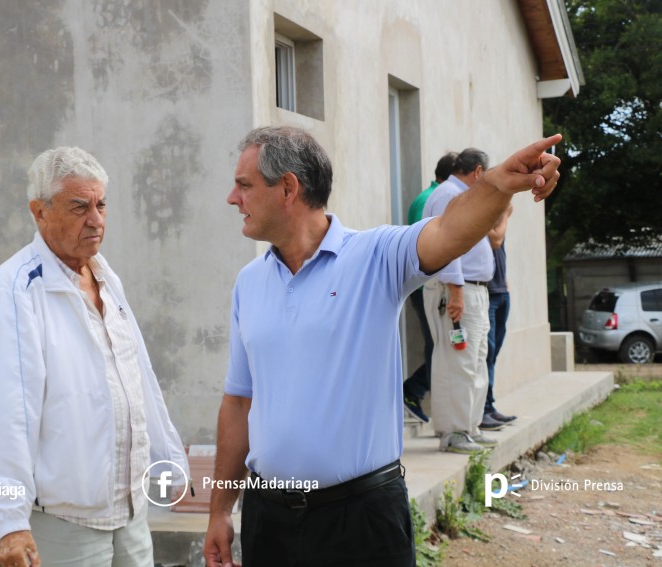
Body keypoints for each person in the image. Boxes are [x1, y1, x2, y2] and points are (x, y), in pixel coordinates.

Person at [202, 126, 561, 566]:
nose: (232, 198)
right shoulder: (249, 282)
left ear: (288, 188)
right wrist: (220, 510)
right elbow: (239, 403)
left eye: (244, 185)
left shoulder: (375, 256)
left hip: (362, 521)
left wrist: (498, 183)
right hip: (269, 522)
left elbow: (449, 230)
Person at [0, 147, 188, 567]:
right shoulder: (14, 291)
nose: (96, 219)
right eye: (79, 207)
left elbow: (139, 377)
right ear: (40, 212)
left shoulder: (107, 278)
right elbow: (11, 411)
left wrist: (170, 462)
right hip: (65, 523)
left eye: (101, 204)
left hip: (130, 513)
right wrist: (11, 522)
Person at [422, 148, 504, 456]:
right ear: (479, 171)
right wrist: (455, 290)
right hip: (458, 290)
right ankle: (454, 432)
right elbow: (447, 243)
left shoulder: (460, 195)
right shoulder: (449, 196)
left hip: (473, 289)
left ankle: (469, 427)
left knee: (475, 360)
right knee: (457, 362)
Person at [403, 152, 458, 423]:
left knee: (438, 345)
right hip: (428, 287)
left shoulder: (429, 196)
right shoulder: (435, 199)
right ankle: (411, 391)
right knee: (439, 346)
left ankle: (414, 391)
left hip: (425, 286)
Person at [484, 204, 517, 423]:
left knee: (492, 356)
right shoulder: (483, 216)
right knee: (487, 354)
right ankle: (484, 410)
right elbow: (496, 240)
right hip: (487, 294)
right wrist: (503, 213)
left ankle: (489, 405)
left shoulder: (497, 216)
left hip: (501, 291)